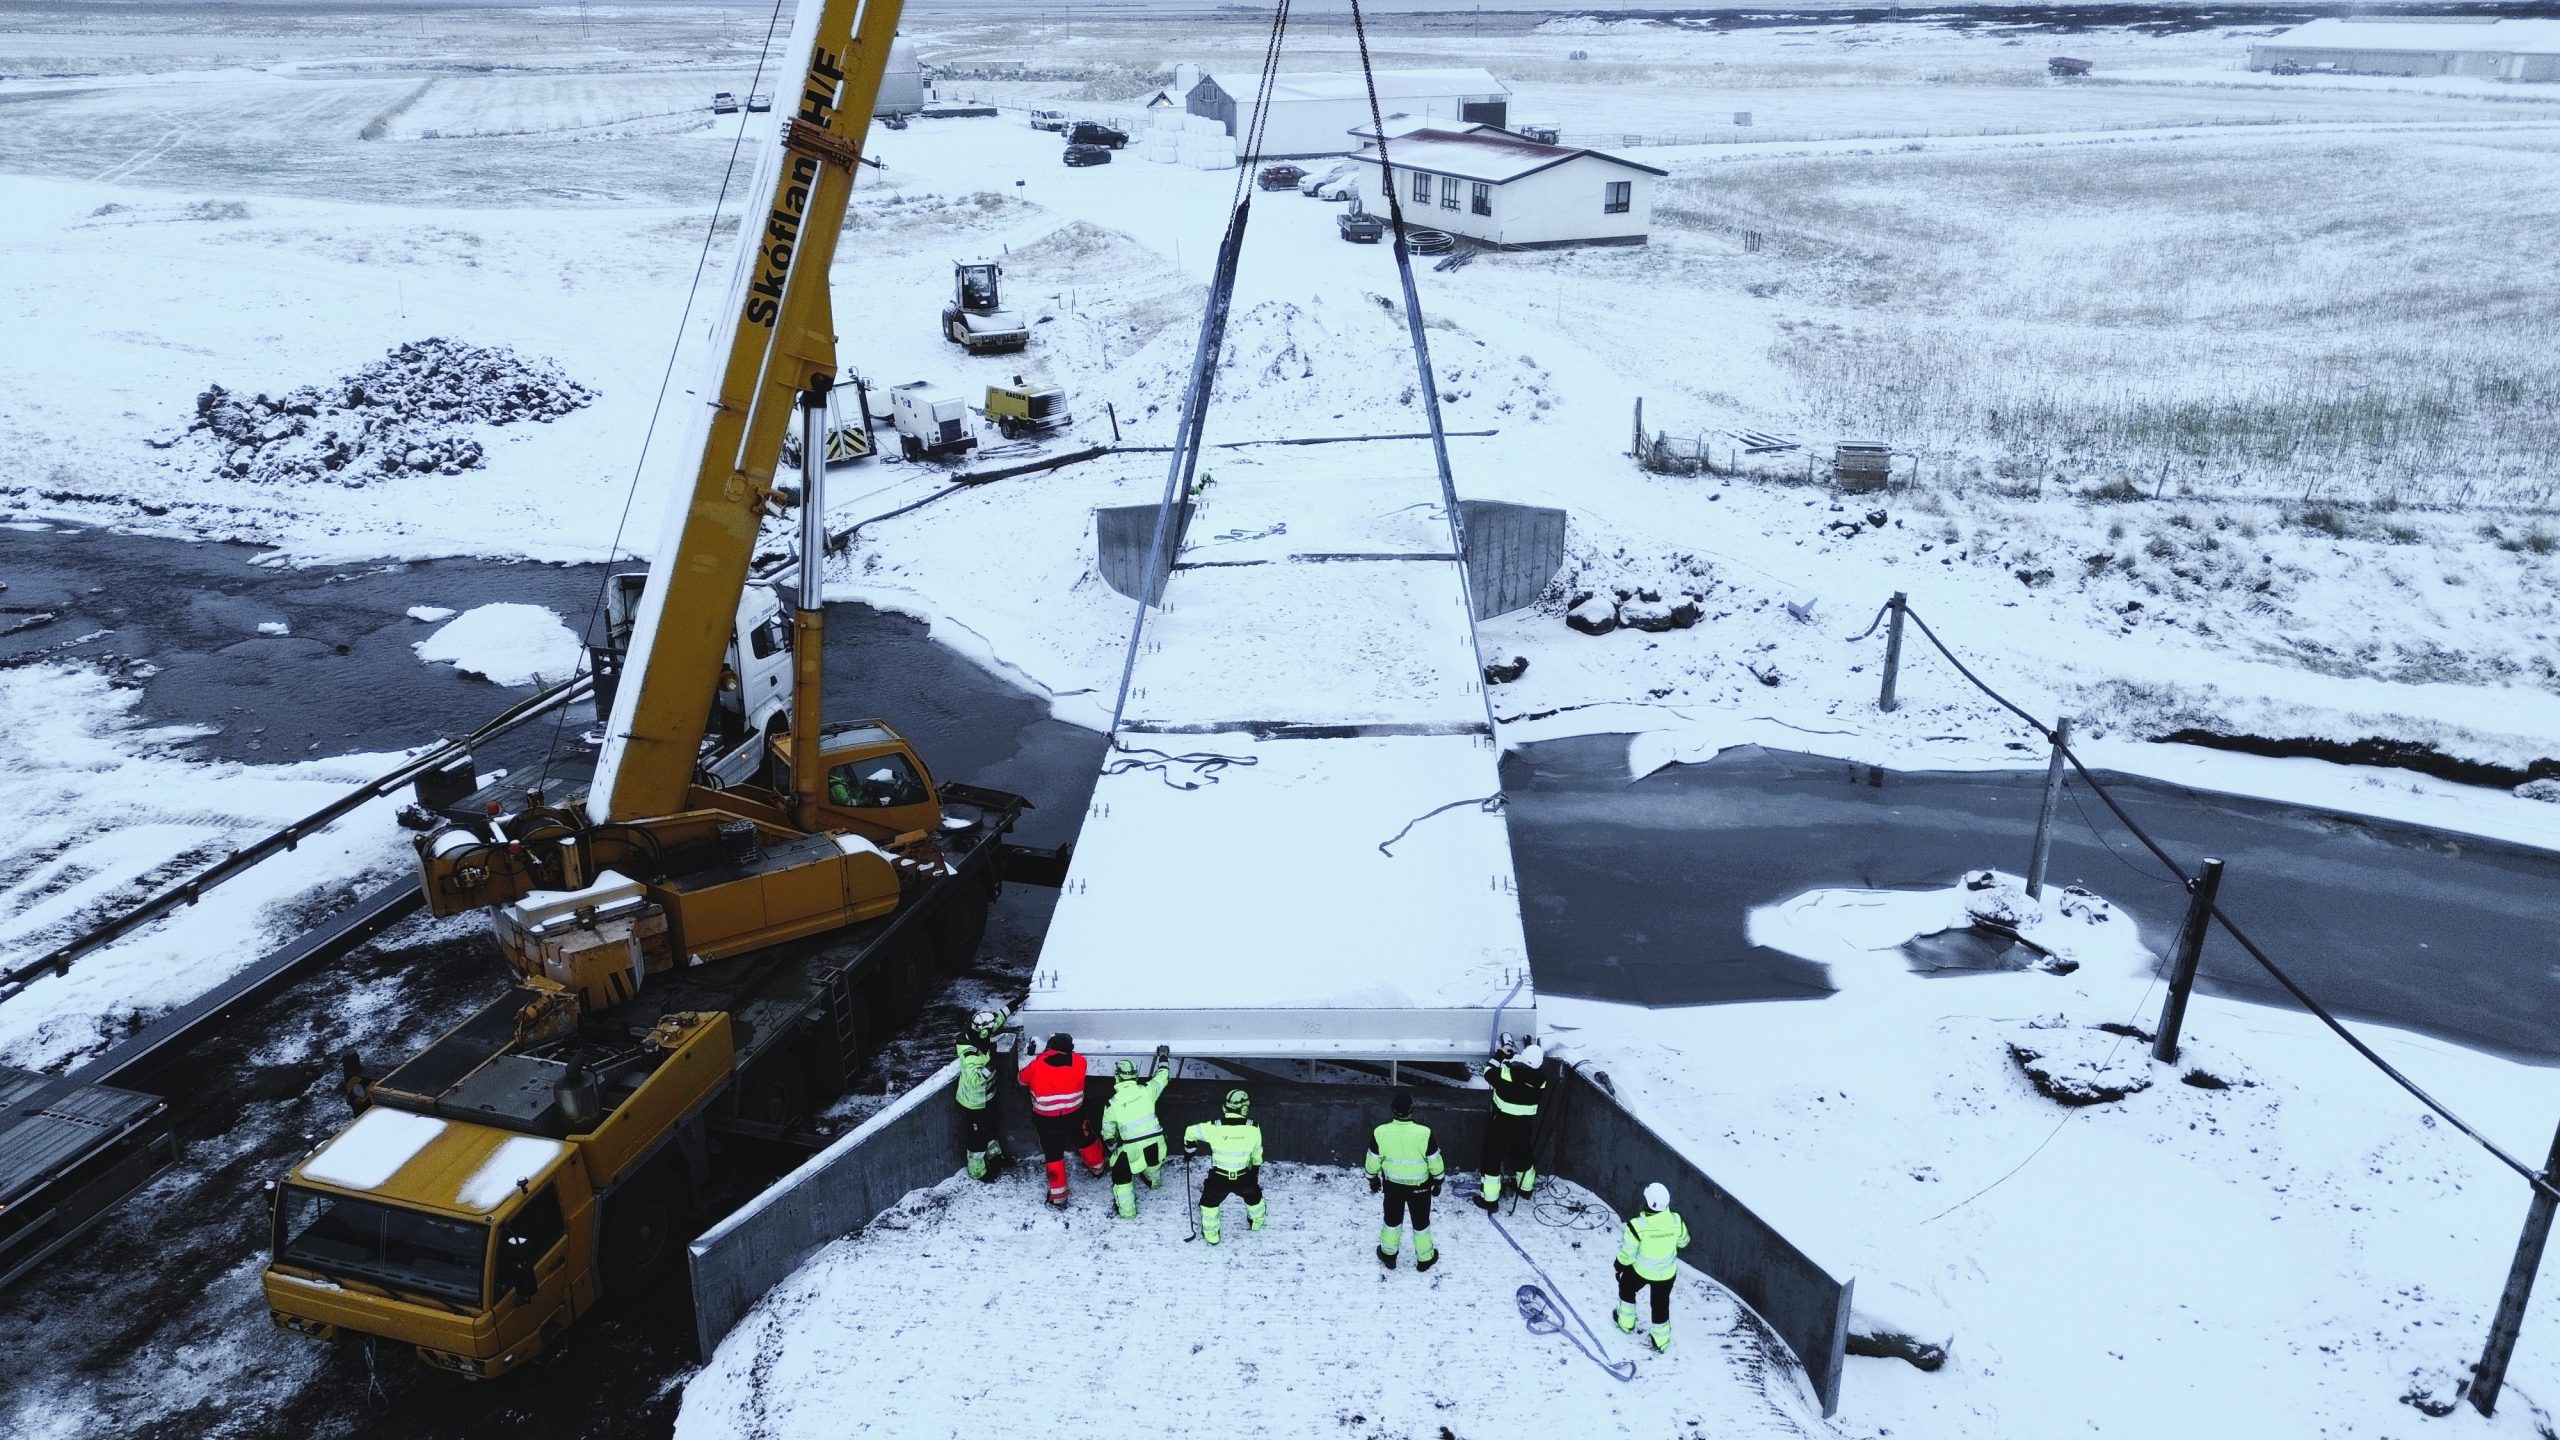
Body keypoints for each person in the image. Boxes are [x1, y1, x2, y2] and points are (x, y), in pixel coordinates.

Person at [1019, 1032, 1104, 1208]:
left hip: (1046, 1120)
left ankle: (1058, 1197)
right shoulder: (1080, 1062)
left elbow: (1021, 1079)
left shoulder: (1037, 1065)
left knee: (1054, 1155)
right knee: (1086, 1140)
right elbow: (1073, 1061)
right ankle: (1098, 1169)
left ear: (1050, 1047)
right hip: (1075, 1115)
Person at [1364, 1089, 1444, 1272]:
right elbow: (1435, 1161)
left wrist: (1372, 1178)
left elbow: (1373, 1159)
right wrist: (1438, 1181)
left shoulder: (1380, 1132)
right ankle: (1425, 1258)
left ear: (1392, 1110)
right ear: (1411, 1110)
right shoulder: (1424, 1133)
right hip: (1420, 1188)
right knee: (1421, 1223)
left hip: (1393, 1187)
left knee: (1391, 1221)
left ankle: (1389, 1255)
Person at [1182, 1088, 1266, 1246]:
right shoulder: (1254, 1128)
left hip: (1219, 1178)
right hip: (1243, 1177)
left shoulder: (1213, 1127)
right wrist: (1254, 1172)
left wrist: (1190, 1150)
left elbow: (1190, 1131)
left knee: (1209, 1205)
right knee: (1255, 1199)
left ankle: (1211, 1235)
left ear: (1225, 1107)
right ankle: (1257, 1222)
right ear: (1245, 1108)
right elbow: (1257, 1154)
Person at [1614, 1182, 1691, 1353]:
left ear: (1647, 1202)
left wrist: (1619, 1265)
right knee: (1660, 1304)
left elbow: (1627, 1254)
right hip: (1667, 1274)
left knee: (1627, 1288)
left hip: (1641, 1271)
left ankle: (1625, 1323)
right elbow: (1683, 1241)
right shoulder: (1676, 1220)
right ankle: (1661, 1340)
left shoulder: (1637, 1226)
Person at [1475, 1038, 1550, 1211]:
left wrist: (1501, 1053)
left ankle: (1490, 1200)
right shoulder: (1541, 1080)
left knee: (1491, 1159)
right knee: (1523, 1156)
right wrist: (1515, 1057)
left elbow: (1487, 1071)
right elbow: (1526, 1073)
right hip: (1524, 1126)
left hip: (1501, 1124)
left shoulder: (1506, 1074)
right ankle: (1525, 1189)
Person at [1101, 1045, 1174, 1219]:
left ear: (1117, 1077)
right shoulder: (1147, 1090)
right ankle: (1154, 1182)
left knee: (1121, 1175)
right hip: (1157, 1144)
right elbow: (1163, 1075)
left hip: (1132, 1151)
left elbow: (1108, 1134)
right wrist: (1163, 1056)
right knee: (1153, 1156)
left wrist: (1112, 1145)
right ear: (1135, 1075)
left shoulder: (1111, 1104)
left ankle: (1127, 1212)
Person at [953, 1007, 1012, 1182]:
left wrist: (1015, 1003)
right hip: (975, 1103)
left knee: (992, 1127)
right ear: (983, 1032)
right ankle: (978, 1171)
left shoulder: (981, 1031)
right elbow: (973, 1080)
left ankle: (995, 1157)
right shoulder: (971, 1054)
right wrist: (990, 1067)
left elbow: (997, 1018)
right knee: (977, 1138)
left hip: (988, 1098)